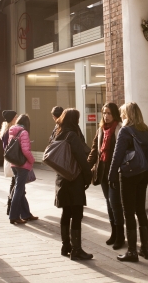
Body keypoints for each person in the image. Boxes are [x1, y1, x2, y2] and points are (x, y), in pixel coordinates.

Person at [109, 102, 148, 262]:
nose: (121, 116)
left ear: (127, 115)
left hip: (128, 175)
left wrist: (111, 175)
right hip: (143, 172)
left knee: (128, 212)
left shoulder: (125, 131)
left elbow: (117, 155)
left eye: (122, 113)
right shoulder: (145, 131)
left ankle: (132, 251)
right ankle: (145, 249)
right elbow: (146, 156)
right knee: (141, 210)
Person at [52, 108, 93, 260]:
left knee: (66, 213)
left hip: (61, 179)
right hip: (74, 180)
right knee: (77, 214)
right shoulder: (72, 135)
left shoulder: (57, 134)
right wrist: (88, 177)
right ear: (74, 120)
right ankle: (76, 249)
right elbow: (82, 159)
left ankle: (65, 246)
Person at [87, 103, 125, 250]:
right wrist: (86, 167)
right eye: (104, 113)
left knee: (115, 204)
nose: (106, 116)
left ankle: (120, 235)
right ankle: (114, 232)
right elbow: (94, 150)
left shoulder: (119, 129)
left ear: (114, 114)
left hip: (115, 172)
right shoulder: (101, 129)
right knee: (109, 203)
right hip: (102, 171)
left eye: (109, 113)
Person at [7, 114, 38, 224]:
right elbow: (25, 151)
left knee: (20, 190)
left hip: (14, 163)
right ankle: (13, 216)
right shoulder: (24, 132)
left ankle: (26, 214)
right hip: (22, 165)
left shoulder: (12, 131)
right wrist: (32, 160)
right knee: (19, 190)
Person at [0, 110, 18, 215]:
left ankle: (10, 207)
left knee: (14, 183)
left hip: (9, 158)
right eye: (15, 117)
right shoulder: (10, 130)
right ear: (11, 119)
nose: (17, 118)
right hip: (13, 159)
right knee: (16, 184)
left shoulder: (5, 130)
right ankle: (12, 208)